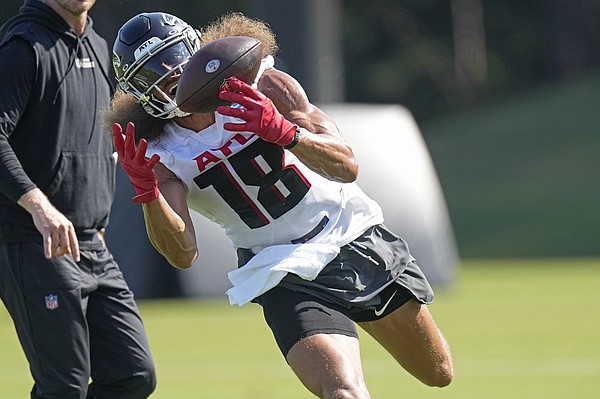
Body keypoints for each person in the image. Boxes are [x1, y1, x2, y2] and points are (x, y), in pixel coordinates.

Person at [108, 11, 453, 399]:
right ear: (133, 90)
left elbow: (346, 166)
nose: (170, 79)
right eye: (151, 75)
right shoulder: (159, 150)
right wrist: (148, 193)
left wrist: (286, 133)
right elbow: (182, 251)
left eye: (174, 63)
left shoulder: (261, 83)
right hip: (278, 268)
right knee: (343, 392)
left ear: (199, 51)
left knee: (437, 372)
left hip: (350, 235)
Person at [0, 1, 156, 398]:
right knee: (64, 388)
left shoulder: (101, 46)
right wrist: (38, 206)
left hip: (92, 242)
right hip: (34, 240)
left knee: (132, 374)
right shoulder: (22, 47)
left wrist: (99, 220)